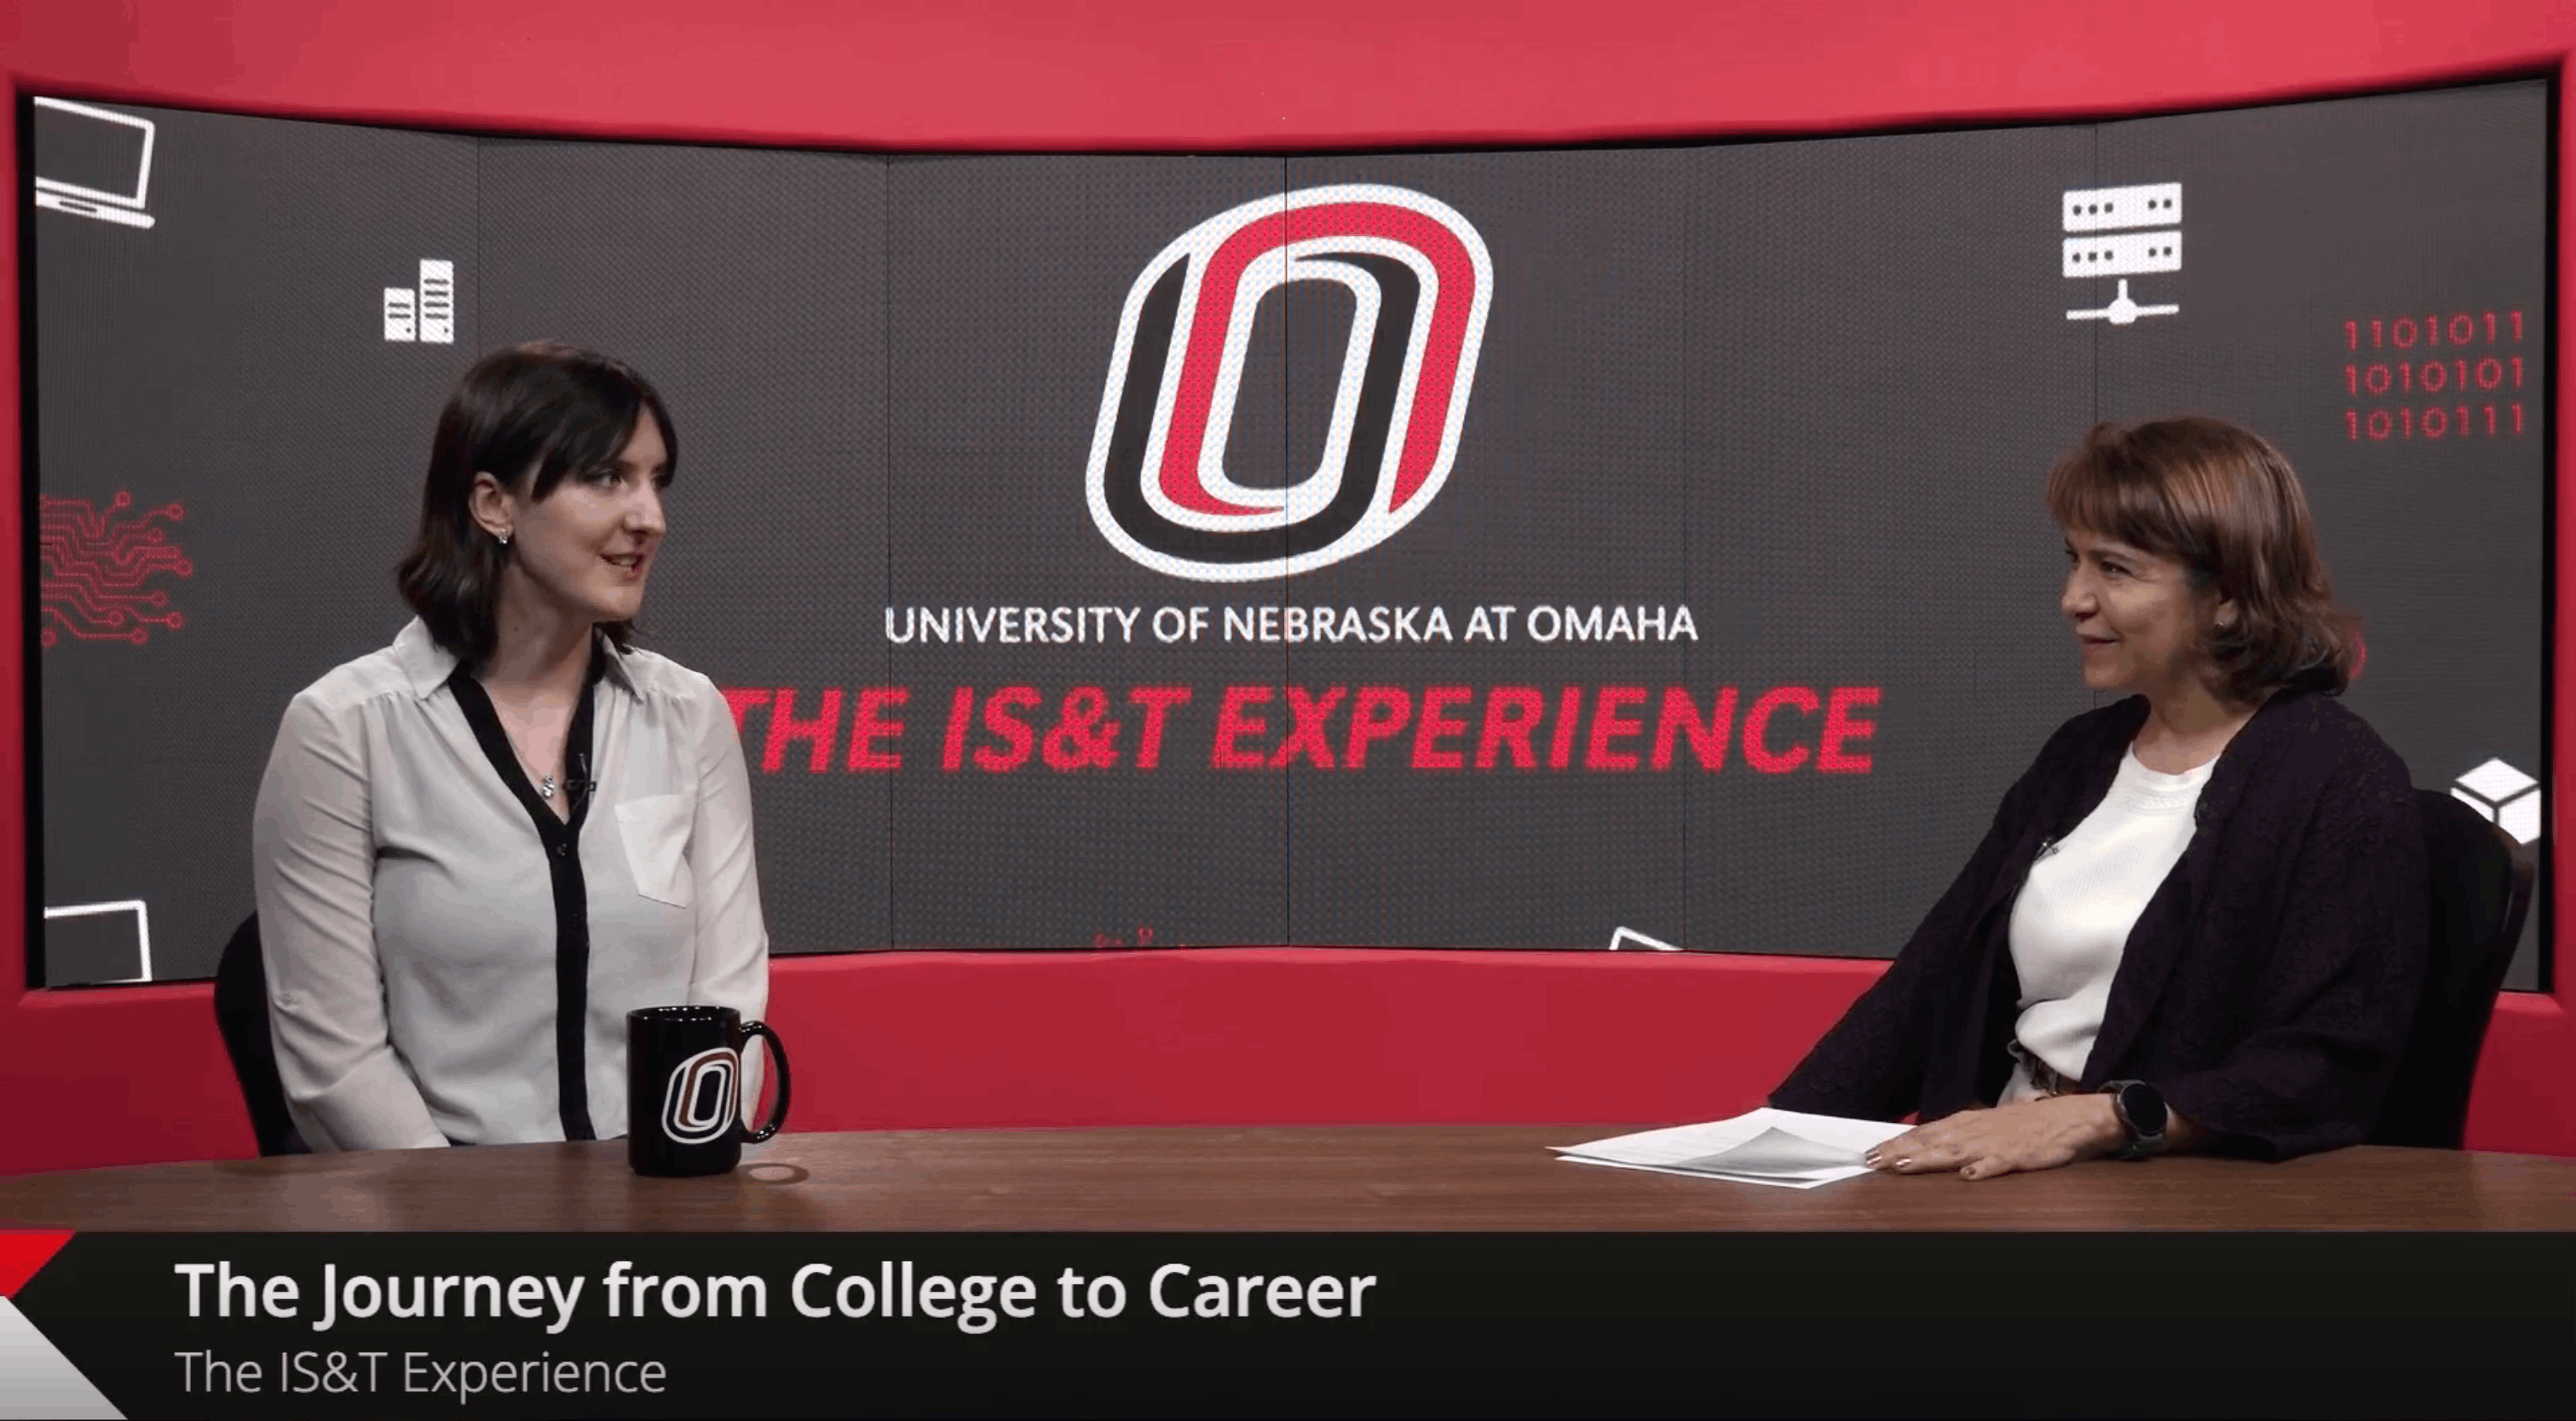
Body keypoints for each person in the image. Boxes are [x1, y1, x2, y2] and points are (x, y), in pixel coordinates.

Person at [1770, 417, 2427, 1177]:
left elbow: (2325, 1065)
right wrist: (1767, 1143)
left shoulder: (2337, 777)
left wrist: (2104, 1118)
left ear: (2226, 596)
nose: (2073, 599)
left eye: (2114, 570)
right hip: (1996, 1166)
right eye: (2073, 562)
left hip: (2167, 1192)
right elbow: (1924, 989)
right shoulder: (2080, 756)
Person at [251, 342, 769, 1151]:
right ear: (494, 505)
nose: (650, 518)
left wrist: (686, 1188)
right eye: (607, 477)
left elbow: (729, 988)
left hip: (663, 1212)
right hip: (442, 1234)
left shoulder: (687, 713)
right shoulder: (344, 730)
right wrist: (485, 1245)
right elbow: (335, 1065)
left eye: (655, 481)